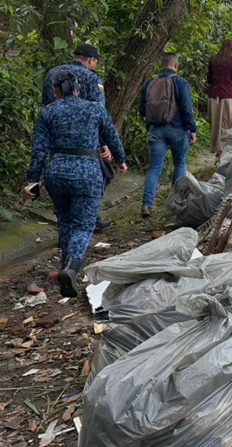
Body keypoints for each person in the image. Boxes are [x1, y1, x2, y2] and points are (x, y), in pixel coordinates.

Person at [25, 70, 127, 297]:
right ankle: (71, 268)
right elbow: (112, 137)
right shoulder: (94, 109)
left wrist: (33, 180)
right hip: (87, 171)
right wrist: (120, 160)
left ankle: (64, 269)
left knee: (65, 220)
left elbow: (39, 150)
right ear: (79, 89)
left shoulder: (47, 112)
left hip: (57, 171)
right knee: (83, 225)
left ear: (55, 91)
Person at [43, 43, 114, 229]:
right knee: (100, 174)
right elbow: (98, 113)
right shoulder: (91, 78)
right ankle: (88, 216)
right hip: (86, 143)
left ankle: (65, 222)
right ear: (91, 60)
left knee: (61, 181)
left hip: (56, 139)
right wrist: (104, 143)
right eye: (96, 62)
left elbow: (46, 106)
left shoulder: (52, 73)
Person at [138, 52, 197, 218]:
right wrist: (192, 129)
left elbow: (142, 109)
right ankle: (174, 206)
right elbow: (187, 108)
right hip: (178, 130)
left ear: (161, 64)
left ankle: (147, 205)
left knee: (154, 168)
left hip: (156, 130)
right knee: (179, 163)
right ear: (176, 65)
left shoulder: (150, 82)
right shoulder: (180, 82)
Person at [207, 38, 232, 156]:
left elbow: (209, 79)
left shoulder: (213, 59)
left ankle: (217, 152)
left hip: (214, 97)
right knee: (230, 127)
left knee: (216, 127)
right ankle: (225, 154)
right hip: (230, 96)